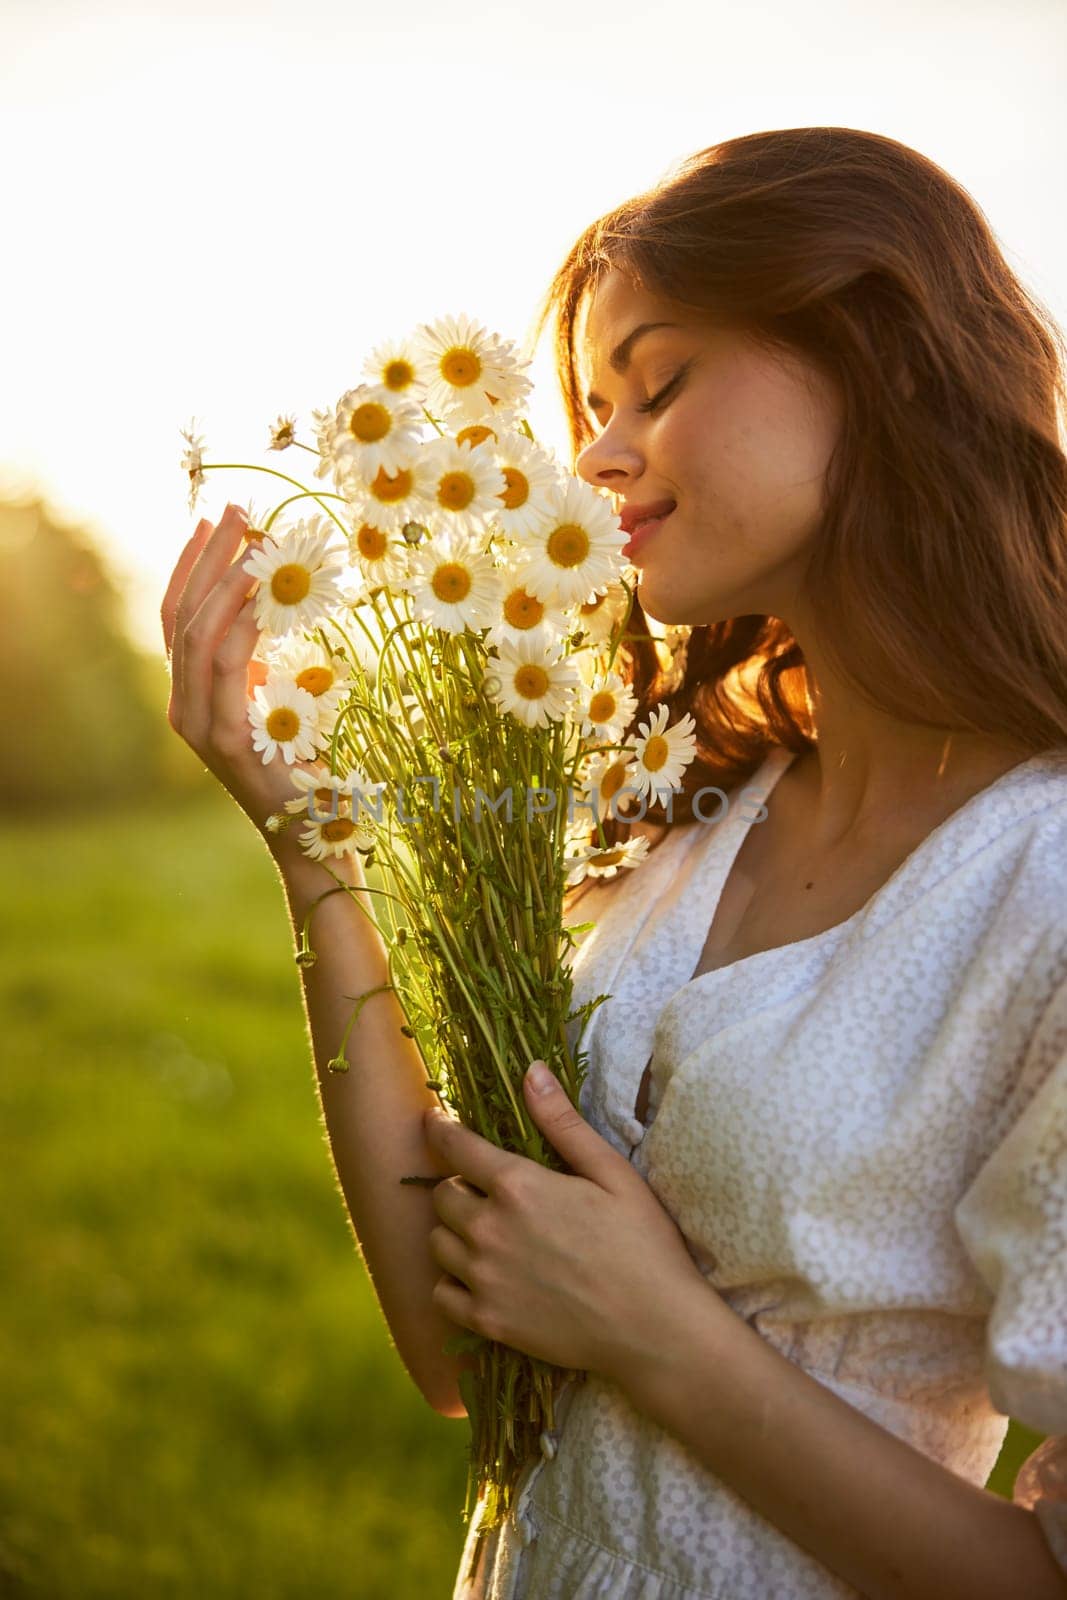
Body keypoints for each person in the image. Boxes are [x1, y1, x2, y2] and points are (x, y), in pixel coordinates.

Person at [162, 124, 1067, 1599]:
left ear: (879, 355)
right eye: (590, 402)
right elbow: (459, 1356)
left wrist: (658, 1331)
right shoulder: (684, 823)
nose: (593, 455)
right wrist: (304, 837)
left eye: (661, 380)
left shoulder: (1040, 887)